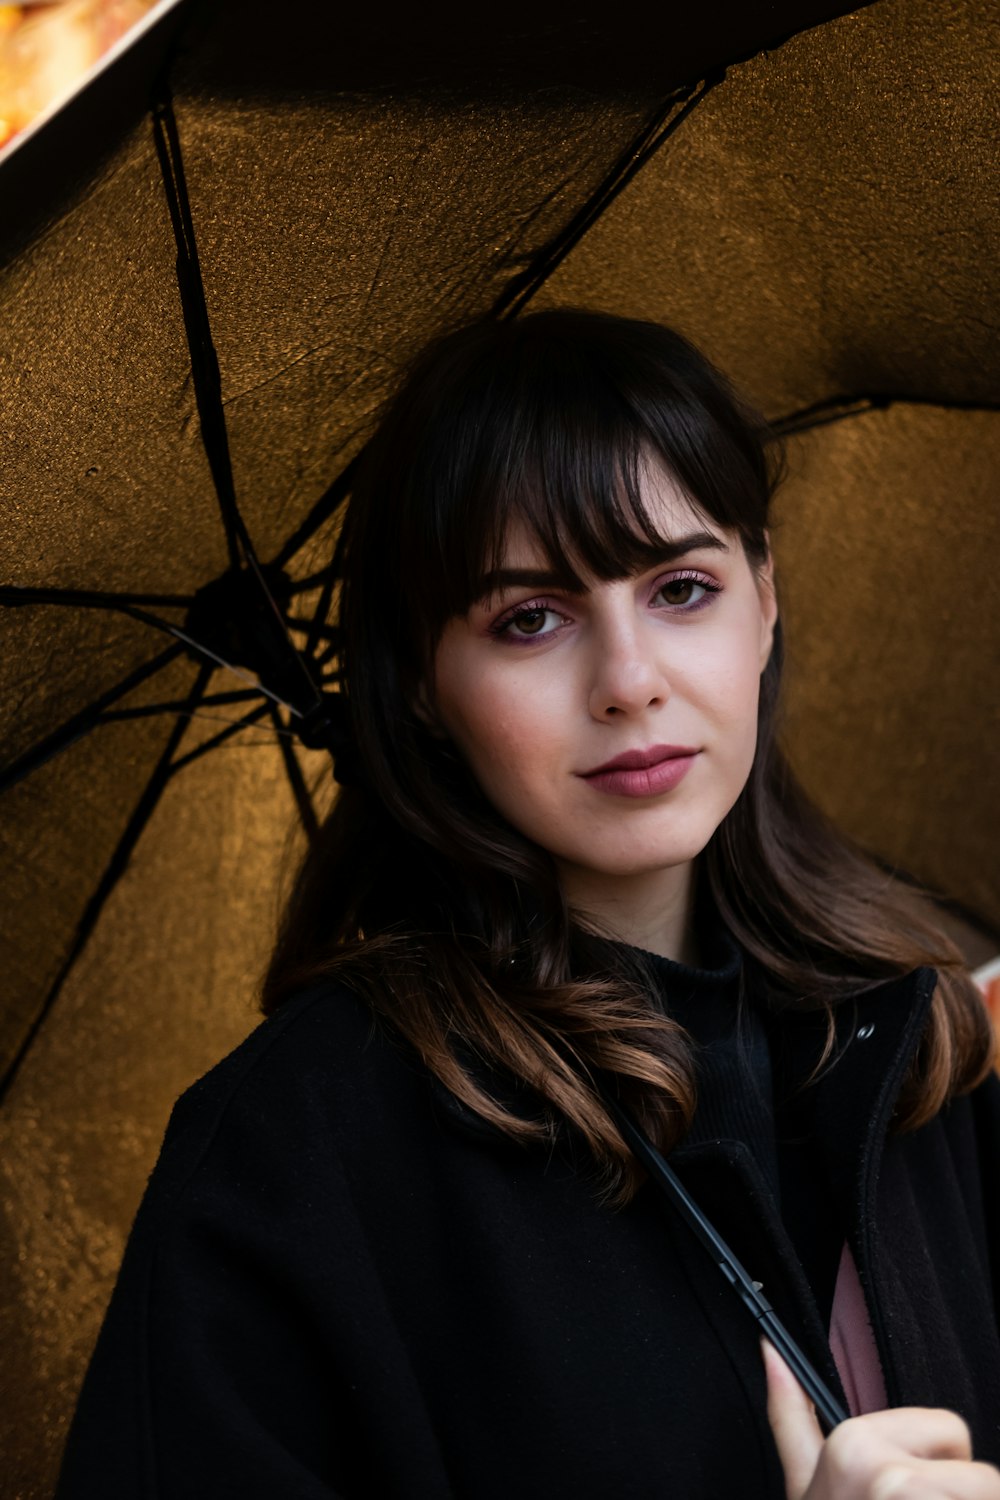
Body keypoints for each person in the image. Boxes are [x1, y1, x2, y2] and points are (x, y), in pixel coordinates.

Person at [56, 310, 1000, 1499]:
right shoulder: (293, 1159)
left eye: (682, 588)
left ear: (766, 597)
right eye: (528, 619)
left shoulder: (912, 1048)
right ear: (417, 688)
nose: (628, 682)